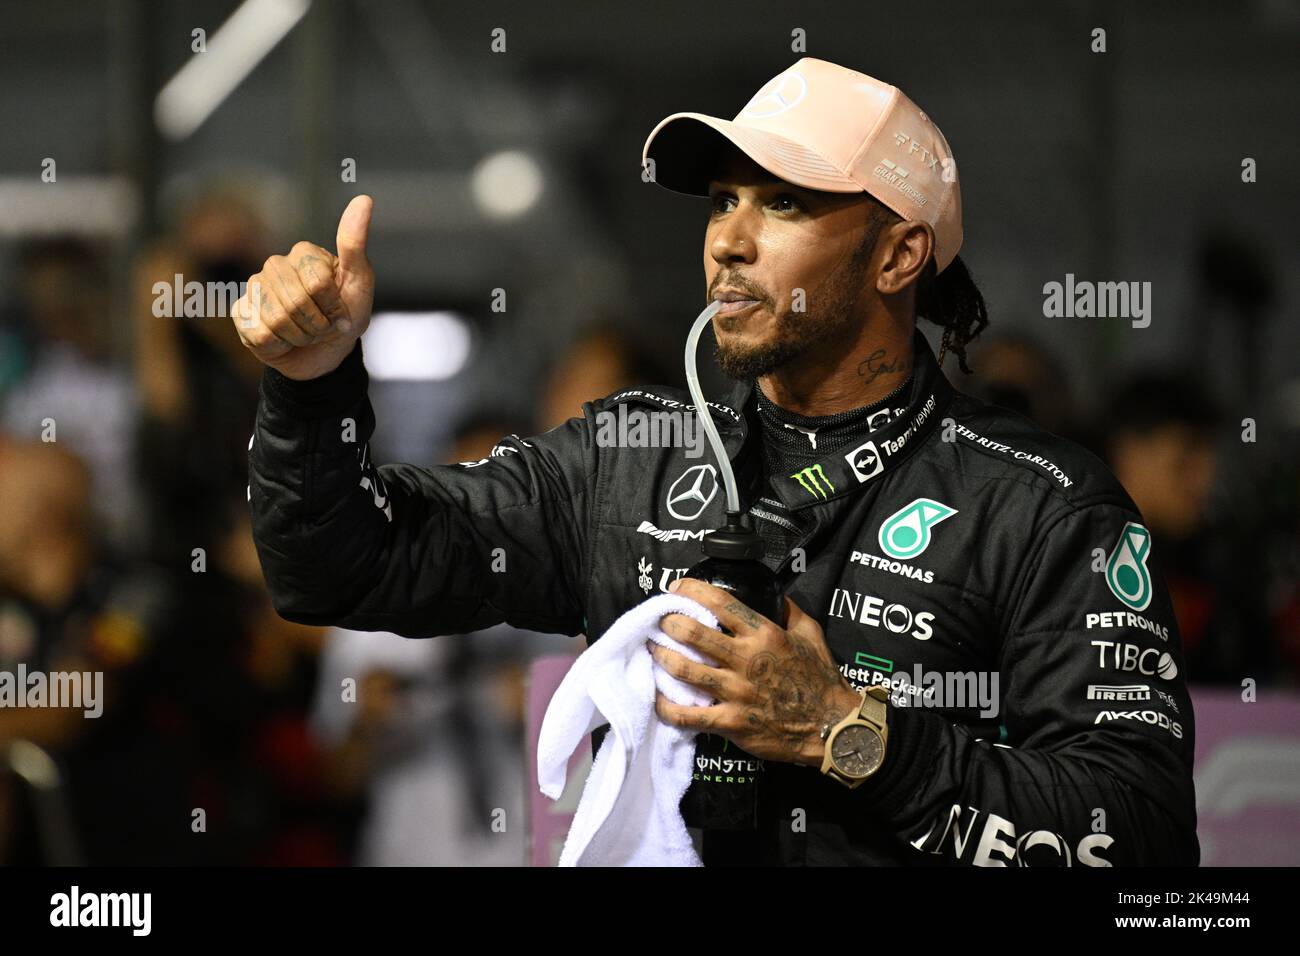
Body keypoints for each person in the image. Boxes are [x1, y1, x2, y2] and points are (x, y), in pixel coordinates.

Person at [235, 58, 1199, 865]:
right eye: (722, 202)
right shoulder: (626, 459)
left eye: (783, 203)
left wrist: (845, 735)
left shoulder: (1042, 506)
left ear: (899, 258)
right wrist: (313, 384)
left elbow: (1144, 838)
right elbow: (338, 566)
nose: (728, 242)